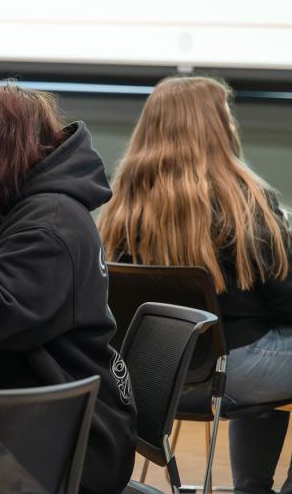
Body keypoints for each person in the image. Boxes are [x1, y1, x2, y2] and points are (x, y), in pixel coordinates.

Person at [99, 76, 292, 494]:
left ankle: (252, 487)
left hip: (153, 377)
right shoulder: (245, 201)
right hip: (232, 373)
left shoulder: (122, 204)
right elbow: (286, 299)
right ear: (216, 128)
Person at [0, 83, 137, 494]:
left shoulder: (51, 225)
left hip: (66, 443)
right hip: (25, 413)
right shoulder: (4, 204)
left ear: (0, 148)